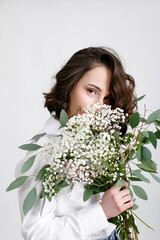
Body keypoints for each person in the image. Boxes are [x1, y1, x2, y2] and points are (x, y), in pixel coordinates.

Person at [15, 47, 137, 240]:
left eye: (108, 99)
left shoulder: (100, 137)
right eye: (91, 91)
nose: (99, 107)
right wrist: (102, 212)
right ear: (70, 85)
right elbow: (36, 233)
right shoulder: (43, 153)